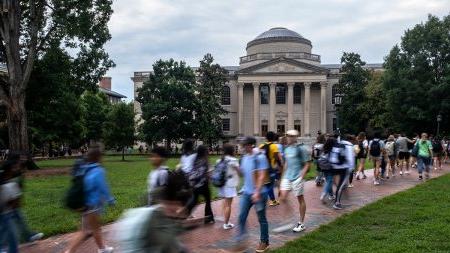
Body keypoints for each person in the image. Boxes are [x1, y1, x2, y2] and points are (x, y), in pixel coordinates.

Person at [65, 145, 115, 253]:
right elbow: (103, 187)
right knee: (89, 230)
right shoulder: (98, 170)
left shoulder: (85, 169)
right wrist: (111, 200)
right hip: (93, 205)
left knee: (88, 230)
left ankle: (102, 248)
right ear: (99, 157)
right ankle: (71, 251)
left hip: (84, 204)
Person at [233, 137, 270, 253]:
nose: (242, 148)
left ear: (250, 145)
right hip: (246, 193)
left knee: (261, 219)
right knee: (241, 217)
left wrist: (257, 192)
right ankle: (241, 241)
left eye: (243, 145)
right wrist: (236, 168)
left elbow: (262, 175)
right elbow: (243, 174)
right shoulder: (244, 157)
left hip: (259, 193)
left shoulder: (260, 156)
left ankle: (264, 242)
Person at [274, 130, 311, 233]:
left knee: (300, 199)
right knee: (282, 198)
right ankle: (289, 219)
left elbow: (307, 164)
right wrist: (282, 179)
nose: (289, 138)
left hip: (297, 177)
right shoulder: (286, 149)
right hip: (287, 177)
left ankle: (301, 223)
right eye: (288, 136)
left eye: (291, 136)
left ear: (296, 137)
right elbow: (286, 164)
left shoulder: (301, 149)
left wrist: (301, 176)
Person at [186, 145, 214, 224]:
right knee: (208, 200)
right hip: (203, 184)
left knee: (194, 200)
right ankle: (209, 218)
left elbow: (190, 171)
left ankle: (185, 214)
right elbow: (209, 173)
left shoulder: (195, 159)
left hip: (194, 184)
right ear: (204, 152)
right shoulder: (205, 160)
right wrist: (211, 180)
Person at [217, 144, 240, 230]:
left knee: (225, 202)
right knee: (228, 205)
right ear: (231, 151)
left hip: (222, 184)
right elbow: (240, 172)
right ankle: (226, 224)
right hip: (230, 184)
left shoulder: (220, 160)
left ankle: (225, 219)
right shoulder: (233, 160)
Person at [330, 134, 355, 210]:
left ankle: (333, 195)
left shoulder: (338, 144)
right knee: (341, 186)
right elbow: (350, 159)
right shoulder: (349, 146)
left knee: (337, 184)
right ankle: (337, 203)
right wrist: (351, 169)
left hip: (334, 166)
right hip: (344, 168)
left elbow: (332, 155)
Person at [0, 160, 20, 253]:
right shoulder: (8, 185)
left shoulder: (11, 183)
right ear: (9, 170)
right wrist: (13, 200)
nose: (17, 169)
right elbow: (11, 202)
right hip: (5, 214)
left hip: (7, 213)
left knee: (7, 235)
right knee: (12, 239)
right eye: (14, 167)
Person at [259, 131, 283, 206]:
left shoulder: (261, 145)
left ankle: (273, 200)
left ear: (266, 137)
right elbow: (277, 158)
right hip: (270, 168)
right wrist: (280, 166)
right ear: (273, 138)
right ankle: (261, 197)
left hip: (262, 168)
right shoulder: (273, 146)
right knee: (270, 185)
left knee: (267, 184)